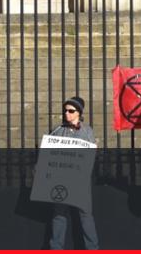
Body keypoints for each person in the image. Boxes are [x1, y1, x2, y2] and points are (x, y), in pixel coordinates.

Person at [48, 96, 99, 249]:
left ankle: (93, 248)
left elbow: (89, 156)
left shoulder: (86, 131)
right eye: (65, 111)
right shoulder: (58, 131)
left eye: (71, 111)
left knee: (85, 215)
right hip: (61, 178)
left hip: (80, 180)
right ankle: (56, 248)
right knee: (59, 215)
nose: (67, 114)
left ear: (79, 113)